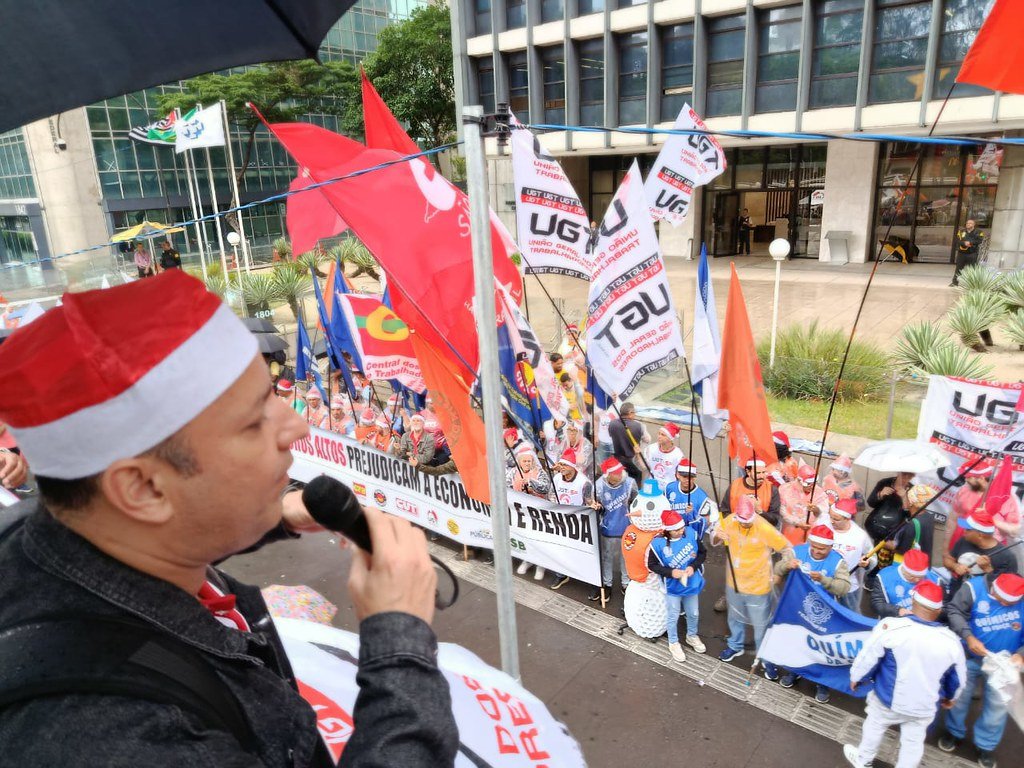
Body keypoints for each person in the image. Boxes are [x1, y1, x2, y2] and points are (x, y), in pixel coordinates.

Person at [0, 271, 458, 765]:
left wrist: (276, 515)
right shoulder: (113, 738)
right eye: (254, 419)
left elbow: (146, 533)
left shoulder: (49, 533)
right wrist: (400, 643)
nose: (297, 426)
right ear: (143, 489)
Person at [843, 580, 966, 768]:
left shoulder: (891, 626)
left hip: (887, 699)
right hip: (924, 705)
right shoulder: (951, 641)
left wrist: (856, 677)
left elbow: (868, 657)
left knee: (874, 726)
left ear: (914, 602)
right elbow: (958, 679)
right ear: (938, 610)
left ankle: (863, 760)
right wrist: (951, 698)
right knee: (913, 743)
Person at [940, 572, 1024, 768]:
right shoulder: (973, 588)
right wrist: (968, 637)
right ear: (994, 589)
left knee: (997, 706)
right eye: (1002, 601)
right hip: (970, 657)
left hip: (1004, 664)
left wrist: (1020, 653)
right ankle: (954, 732)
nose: (1004, 606)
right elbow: (954, 611)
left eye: (1009, 604)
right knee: (959, 697)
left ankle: (985, 745)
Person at [712, 495, 792, 667]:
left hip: (758, 584)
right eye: (741, 521)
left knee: (760, 623)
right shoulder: (730, 521)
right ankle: (735, 645)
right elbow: (715, 539)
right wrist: (718, 535)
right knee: (734, 617)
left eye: (747, 521)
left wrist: (781, 570)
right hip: (734, 581)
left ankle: (763, 654)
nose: (744, 524)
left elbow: (786, 548)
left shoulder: (764, 527)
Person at [774, 525, 851, 701]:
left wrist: (824, 580)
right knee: (796, 643)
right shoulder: (797, 551)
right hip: (797, 609)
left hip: (824, 614)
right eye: (813, 547)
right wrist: (787, 565)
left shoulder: (838, 561)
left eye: (821, 549)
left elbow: (844, 588)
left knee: (820, 648)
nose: (816, 551)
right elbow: (778, 568)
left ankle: (821, 682)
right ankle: (795, 671)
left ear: (831, 547)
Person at [648, 509, 708, 660]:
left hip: (691, 583)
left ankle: (691, 635)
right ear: (667, 531)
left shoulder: (691, 533)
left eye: (681, 528)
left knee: (693, 613)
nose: (681, 532)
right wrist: (670, 572)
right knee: (673, 615)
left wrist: (693, 567)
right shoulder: (657, 544)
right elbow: (652, 565)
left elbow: (702, 553)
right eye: (676, 530)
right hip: (672, 587)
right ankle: (673, 642)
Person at [944, 509, 1020, 600]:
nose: (964, 531)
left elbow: (1009, 591)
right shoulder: (964, 540)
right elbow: (948, 559)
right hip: (956, 596)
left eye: (968, 529)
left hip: (982, 605)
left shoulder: (1007, 558)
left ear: (980, 535)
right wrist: (955, 566)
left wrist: (988, 569)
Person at [950, 460, 1021, 555]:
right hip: (964, 542)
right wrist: (946, 550)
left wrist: (988, 519)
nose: (966, 480)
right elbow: (954, 518)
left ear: (982, 478)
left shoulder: (1006, 498)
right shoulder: (964, 490)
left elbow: (1015, 531)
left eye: (969, 477)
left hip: (990, 548)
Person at [820, 497, 876, 613]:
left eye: (836, 519)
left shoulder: (860, 536)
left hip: (849, 585)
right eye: (830, 516)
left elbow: (872, 558)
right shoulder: (823, 527)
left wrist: (867, 563)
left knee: (850, 614)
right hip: (823, 581)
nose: (831, 521)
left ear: (847, 518)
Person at [593, 457, 638, 601]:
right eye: (616, 473)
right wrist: (595, 506)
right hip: (608, 528)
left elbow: (636, 501)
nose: (620, 474)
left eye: (620, 472)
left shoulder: (630, 483)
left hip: (626, 527)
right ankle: (607, 585)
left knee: (626, 557)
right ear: (608, 474)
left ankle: (626, 583)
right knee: (607, 557)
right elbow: (594, 504)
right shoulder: (599, 486)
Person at [550, 449, 595, 590]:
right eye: (560, 464)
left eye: (565, 465)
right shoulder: (557, 478)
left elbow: (589, 502)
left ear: (573, 467)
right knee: (559, 549)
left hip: (578, 523)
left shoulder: (584, 483)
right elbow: (551, 496)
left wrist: (593, 505)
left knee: (581, 552)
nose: (561, 467)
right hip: (560, 520)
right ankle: (561, 574)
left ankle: (590, 578)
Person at [864, 471, 913, 586]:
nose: (906, 478)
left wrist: (904, 498)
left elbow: (910, 515)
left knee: (887, 559)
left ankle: (878, 580)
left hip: (894, 531)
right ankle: (872, 579)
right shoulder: (884, 482)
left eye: (909, 475)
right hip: (876, 526)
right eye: (904, 474)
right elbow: (871, 502)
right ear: (898, 472)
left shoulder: (912, 490)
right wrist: (880, 494)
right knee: (876, 555)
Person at [871, 548, 941, 618]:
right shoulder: (885, 577)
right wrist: (898, 610)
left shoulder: (934, 580)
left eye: (920, 577)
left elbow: (943, 607)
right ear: (904, 569)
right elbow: (877, 603)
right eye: (912, 576)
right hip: (894, 621)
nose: (917, 580)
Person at [664, 459, 720, 540]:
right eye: (684, 476)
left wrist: (693, 515)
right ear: (677, 475)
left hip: (689, 535)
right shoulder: (669, 488)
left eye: (691, 477)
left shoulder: (702, 497)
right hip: (671, 532)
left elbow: (706, 523)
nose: (688, 480)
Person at [885, 484, 938, 565]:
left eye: (907, 497)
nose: (903, 499)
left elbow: (903, 550)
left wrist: (887, 545)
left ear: (911, 502)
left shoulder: (911, 524)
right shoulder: (929, 517)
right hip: (923, 564)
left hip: (908, 567)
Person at [721, 458, 781, 528]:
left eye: (764, 472)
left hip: (760, 534)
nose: (762, 476)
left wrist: (760, 511)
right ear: (748, 472)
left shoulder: (772, 489)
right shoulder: (735, 485)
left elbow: (775, 520)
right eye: (758, 473)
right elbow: (724, 511)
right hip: (736, 531)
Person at [778, 463, 829, 545]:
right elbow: (782, 511)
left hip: (810, 534)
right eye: (808, 484)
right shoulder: (785, 489)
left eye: (814, 483)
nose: (812, 487)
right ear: (799, 480)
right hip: (788, 532)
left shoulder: (819, 493)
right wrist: (797, 522)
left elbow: (824, 512)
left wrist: (816, 510)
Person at [608, 401, 645, 486]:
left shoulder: (612, 423)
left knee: (619, 483)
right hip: (632, 461)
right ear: (630, 413)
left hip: (617, 459)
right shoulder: (638, 425)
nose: (635, 415)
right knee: (635, 482)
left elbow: (610, 435)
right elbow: (646, 439)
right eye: (634, 412)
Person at [643, 422, 683, 491]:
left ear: (670, 438)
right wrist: (637, 455)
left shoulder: (678, 454)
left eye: (663, 435)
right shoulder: (651, 449)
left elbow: (680, 475)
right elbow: (644, 466)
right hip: (651, 485)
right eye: (659, 433)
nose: (659, 436)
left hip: (668, 489)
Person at [951, 219, 984, 287]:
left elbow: (980, 240)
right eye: (967, 223)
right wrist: (964, 243)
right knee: (958, 268)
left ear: (974, 224)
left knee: (972, 269)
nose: (968, 224)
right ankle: (955, 282)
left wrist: (970, 243)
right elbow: (957, 240)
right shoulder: (961, 231)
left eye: (970, 223)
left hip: (972, 253)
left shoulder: (979, 232)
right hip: (962, 253)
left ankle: (972, 284)